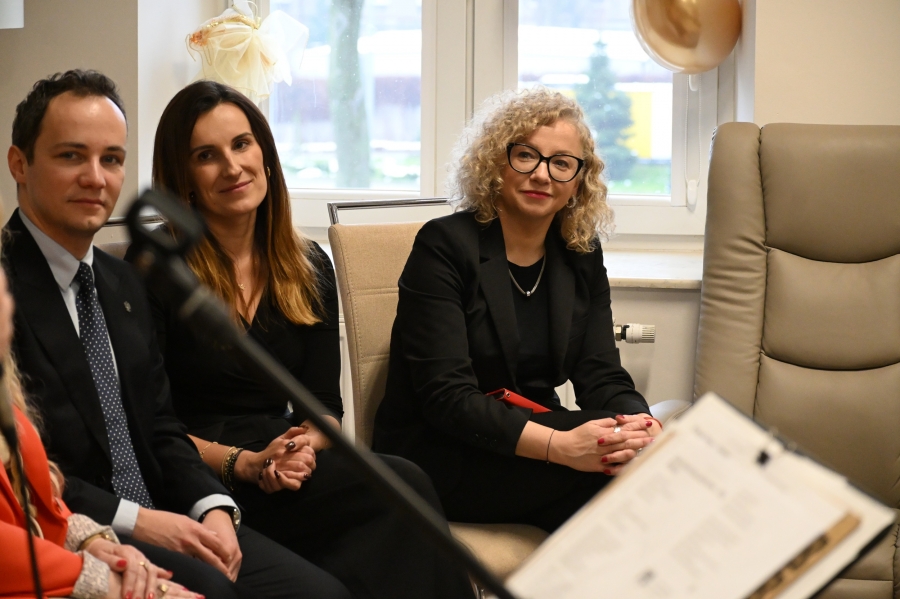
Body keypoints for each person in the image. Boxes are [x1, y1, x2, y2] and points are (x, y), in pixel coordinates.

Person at [4, 69, 353, 599]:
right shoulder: (5, 288)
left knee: (322, 593)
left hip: (171, 504)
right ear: (19, 164)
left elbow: (160, 425)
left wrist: (213, 507)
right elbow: (22, 468)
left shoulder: (117, 281)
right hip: (77, 526)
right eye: (72, 156)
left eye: (112, 159)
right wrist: (140, 521)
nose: (96, 178)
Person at [137, 79, 474, 599]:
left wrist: (298, 448)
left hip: (283, 463)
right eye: (206, 156)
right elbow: (147, 424)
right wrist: (244, 463)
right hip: (200, 475)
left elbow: (323, 409)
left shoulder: (308, 262)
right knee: (399, 494)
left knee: (399, 488)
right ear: (182, 178)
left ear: (266, 156)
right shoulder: (154, 269)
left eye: (242, 144)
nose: (232, 167)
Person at [372, 87, 660, 533]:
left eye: (561, 163)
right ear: (495, 162)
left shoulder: (580, 252)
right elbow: (448, 398)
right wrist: (560, 446)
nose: (542, 175)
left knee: (632, 467)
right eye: (526, 156)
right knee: (624, 481)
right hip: (440, 452)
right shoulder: (444, 245)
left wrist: (640, 423)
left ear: (579, 180)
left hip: (533, 440)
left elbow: (601, 373)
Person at [0, 268, 196, 599]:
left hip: (58, 554)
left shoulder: (7, 389)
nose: (7, 304)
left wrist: (90, 540)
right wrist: (97, 578)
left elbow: (35, 497)